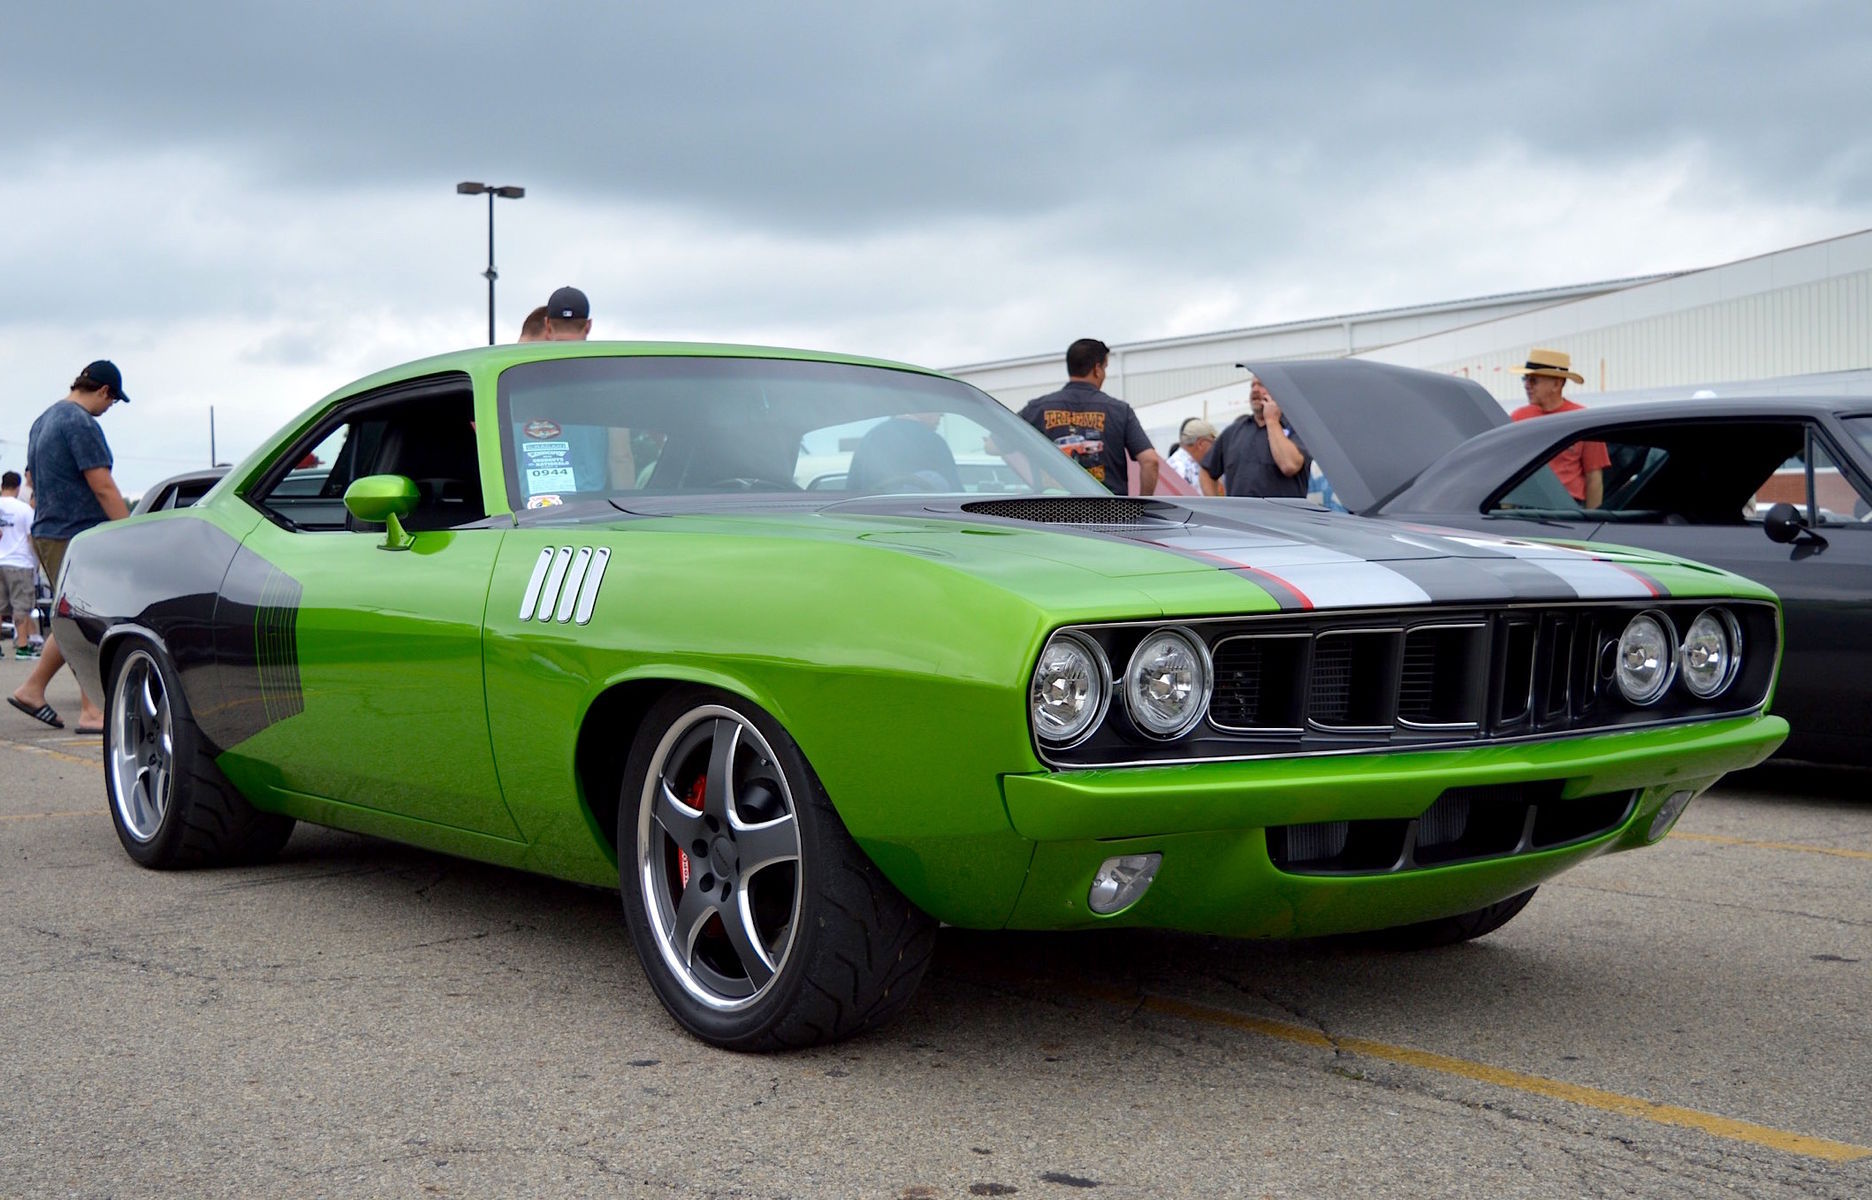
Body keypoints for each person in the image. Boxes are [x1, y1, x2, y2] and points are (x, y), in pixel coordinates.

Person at [10, 362, 132, 733]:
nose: (109, 409)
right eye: (112, 402)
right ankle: (93, 711)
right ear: (104, 391)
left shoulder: (42, 420)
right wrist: (130, 532)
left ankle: (34, 690)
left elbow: (32, 479)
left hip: (47, 530)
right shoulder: (81, 423)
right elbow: (103, 486)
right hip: (76, 534)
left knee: (73, 618)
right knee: (87, 619)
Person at [1017, 338, 1161, 495]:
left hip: (1053, 512)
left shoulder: (1037, 409)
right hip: (1108, 512)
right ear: (1097, 369)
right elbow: (1150, 461)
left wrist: (1033, 481)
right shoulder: (1119, 410)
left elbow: (994, 445)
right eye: (1105, 368)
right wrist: (1142, 508)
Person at [1510, 347, 1609, 508]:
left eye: (1533, 380)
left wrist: (1590, 520)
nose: (1527, 385)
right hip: (1525, 509)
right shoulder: (1517, 418)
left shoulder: (1584, 420)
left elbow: (1594, 478)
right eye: (1525, 379)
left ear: (1557, 384)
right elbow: (1509, 469)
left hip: (1566, 509)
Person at [1199, 377, 1310, 498]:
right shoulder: (1233, 432)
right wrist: (1217, 509)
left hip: (1282, 515)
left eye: (1262, 385)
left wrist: (1272, 420)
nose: (1255, 390)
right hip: (1240, 516)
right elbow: (1206, 472)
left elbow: (1289, 465)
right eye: (1252, 385)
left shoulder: (1298, 429)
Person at [0, 471, 42, 658]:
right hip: (19, 562)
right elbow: (31, 538)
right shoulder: (24, 509)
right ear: (18, 487)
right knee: (21, 606)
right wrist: (37, 561)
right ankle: (23, 647)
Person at [1166, 418, 1217, 489]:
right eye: (1213, 442)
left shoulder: (1174, 465)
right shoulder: (1182, 469)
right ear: (1201, 444)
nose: (1215, 448)